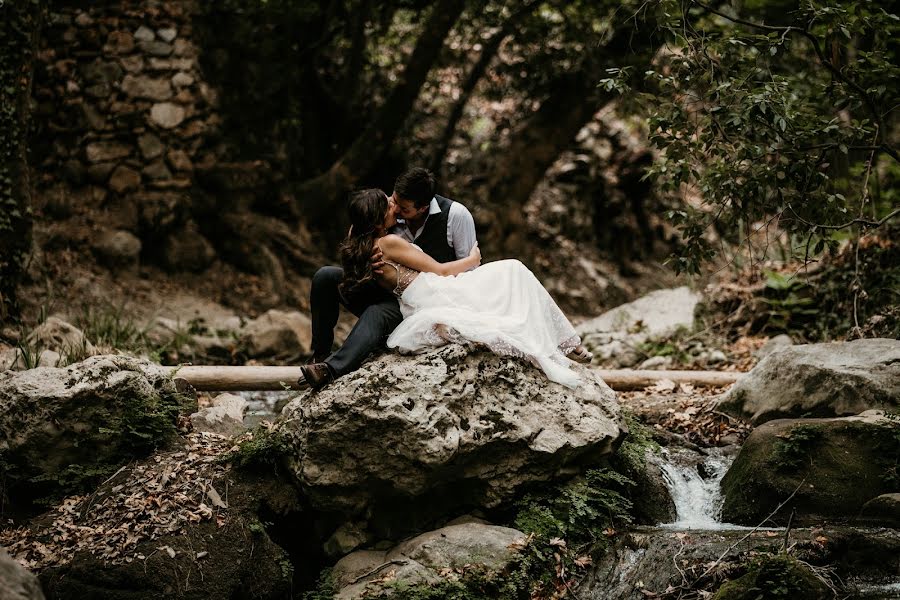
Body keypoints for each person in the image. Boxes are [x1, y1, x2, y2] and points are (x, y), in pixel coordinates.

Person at [332, 188, 593, 389]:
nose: (393, 202)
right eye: (388, 204)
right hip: (436, 289)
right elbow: (441, 270)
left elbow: (359, 226)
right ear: (378, 221)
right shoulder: (388, 241)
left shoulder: (364, 243)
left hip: (422, 295)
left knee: (510, 277)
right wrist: (472, 260)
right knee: (513, 269)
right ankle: (566, 343)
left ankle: (565, 343)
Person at [300, 168, 478, 390]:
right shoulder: (385, 214)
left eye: (402, 207)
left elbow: (465, 275)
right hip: (382, 289)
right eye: (392, 200)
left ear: (422, 207)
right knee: (326, 276)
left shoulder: (455, 216)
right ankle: (320, 355)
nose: (394, 207)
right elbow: (362, 221)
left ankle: (331, 369)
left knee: (379, 311)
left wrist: (471, 260)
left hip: (417, 302)